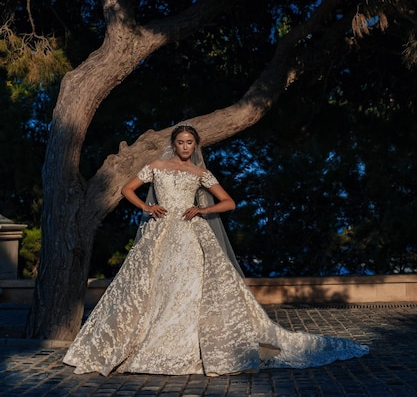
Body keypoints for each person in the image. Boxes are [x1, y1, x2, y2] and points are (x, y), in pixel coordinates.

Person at [63, 123, 369, 376]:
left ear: (195, 146)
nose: (184, 147)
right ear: (174, 143)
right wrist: (148, 206)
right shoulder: (155, 166)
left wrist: (200, 211)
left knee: (189, 287)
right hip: (159, 232)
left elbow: (230, 202)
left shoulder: (200, 175)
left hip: (189, 232)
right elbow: (126, 189)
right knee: (149, 286)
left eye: (189, 143)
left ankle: (182, 346)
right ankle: (145, 342)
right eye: (180, 142)